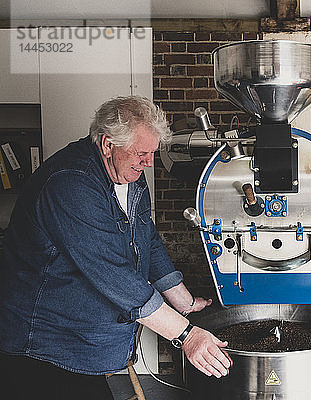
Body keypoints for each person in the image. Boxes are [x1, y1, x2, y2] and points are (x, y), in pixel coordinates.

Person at [0, 96, 231, 399]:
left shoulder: (130, 174)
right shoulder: (71, 184)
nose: (149, 162)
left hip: (81, 344)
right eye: (142, 153)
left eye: (152, 152)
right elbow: (114, 276)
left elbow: (147, 237)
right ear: (108, 145)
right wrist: (186, 335)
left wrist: (183, 301)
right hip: (45, 345)